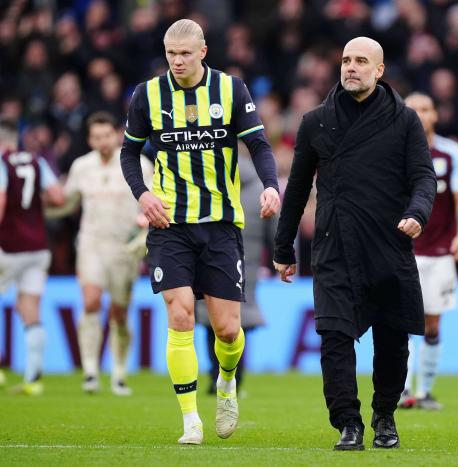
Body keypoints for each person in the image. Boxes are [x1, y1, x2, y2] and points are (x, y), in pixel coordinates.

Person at [120, 19, 280, 445]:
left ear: (203, 52)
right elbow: (129, 152)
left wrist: (270, 186)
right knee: (180, 315)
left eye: (185, 53)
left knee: (227, 328)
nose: (177, 60)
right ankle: (191, 419)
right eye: (171, 53)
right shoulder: (148, 95)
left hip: (221, 224)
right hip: (169, 224)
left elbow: (259, 145)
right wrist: (143, 194)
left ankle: (227, 383)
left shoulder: (231, 90)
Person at [273, 37, 436, 451]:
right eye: (346, 60)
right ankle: (348, 422)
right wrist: (283, 248)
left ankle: (384, 416)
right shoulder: (316, 122)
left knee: (393, 336)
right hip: (334, 245)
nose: (351, 67)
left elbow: (423, 177)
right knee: (333, 336)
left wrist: (417, 213)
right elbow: (296, 190)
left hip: (389, 243)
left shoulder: (405, 120)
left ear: (379, 70)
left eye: (361, 61)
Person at [50, 112, 153, 396]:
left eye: (107, 135)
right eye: (96, 137)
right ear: (89, 139)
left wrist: (145, 228)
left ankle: (119, 372)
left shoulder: (138, 165)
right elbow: (67, 202)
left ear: (117, 135)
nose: (102, 142)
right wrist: (37, 208)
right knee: (92, 302)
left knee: (119, 312)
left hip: (124, 247)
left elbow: (153, 204)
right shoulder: (82, 167)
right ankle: (91, 371)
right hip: (91, 243)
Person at [398, 93, 458, 411]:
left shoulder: (451, 152)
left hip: (440, 250)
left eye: (426, 109)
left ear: (435, 116)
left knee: (432, 324)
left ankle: (426, 390)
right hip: (402, 250)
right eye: (413, 108)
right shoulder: (392, 149)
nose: (420, 114)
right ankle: (401, 390)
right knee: (401, 323)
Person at [197, 153, 273, 395]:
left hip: (210, 261)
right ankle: (236, 380)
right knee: (241, 323)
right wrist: (279, 258)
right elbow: (275, 230)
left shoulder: (206, 181)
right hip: (247, 266)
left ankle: (215, 377)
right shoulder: (261, 190)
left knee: (212, 323)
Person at [0, 119, 65, 395]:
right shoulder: (37, 162)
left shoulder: (2, 162)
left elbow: (1, 201)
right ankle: (33, 377)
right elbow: (58, 197)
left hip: (8, 246)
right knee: (30, 308)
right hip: (38, 247)